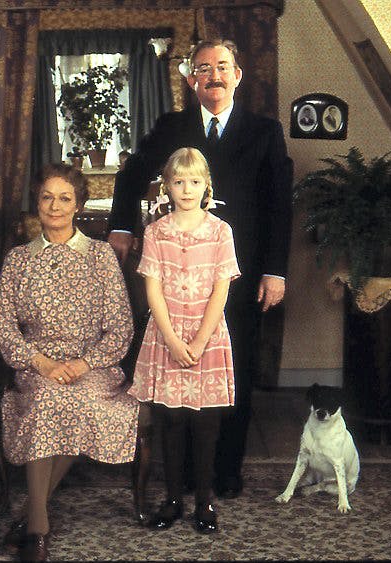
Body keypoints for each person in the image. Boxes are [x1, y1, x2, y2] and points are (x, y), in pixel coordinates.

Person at [109, 38, 293, 499]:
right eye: (204, 68)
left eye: (223, 67)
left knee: (234, 370)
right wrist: (122, 228)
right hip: (179, 279)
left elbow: (279, 205)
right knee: (183, 369)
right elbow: (132, 174)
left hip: (239, 273)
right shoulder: (171, 126)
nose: (214, 76)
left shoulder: (265, 131)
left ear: (237, 75)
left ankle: (224, 472)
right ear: (193, 79)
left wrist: (275, 270)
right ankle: (185, 476)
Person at [0, 164, 139, 563]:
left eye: (64, 198)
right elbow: (1, 322)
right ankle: (39, 529)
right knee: (47, 401)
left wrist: (85, 364)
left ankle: (27, 517)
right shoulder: (19, 259)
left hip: (92, 368)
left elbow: (121, 326)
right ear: (37, 203)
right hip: (36, 366)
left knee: (79, 402)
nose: (54, 206)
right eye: (47, 197)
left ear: (78, 205)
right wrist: (39, 362)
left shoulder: (101, 255)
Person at [129, 147, 240, 534]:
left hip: (207, 335)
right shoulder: (156, 232)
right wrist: (174, 342)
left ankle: (204, 500)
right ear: (167, 187)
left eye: (194, 182)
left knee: (205, 422)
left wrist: (200, 339)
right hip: (167, 335)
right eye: (179, 182)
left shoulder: (221, 231)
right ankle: (173, 499)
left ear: (207, 185)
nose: (187, 189)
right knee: (172, 420)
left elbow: (221, 289)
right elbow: (153, 291)